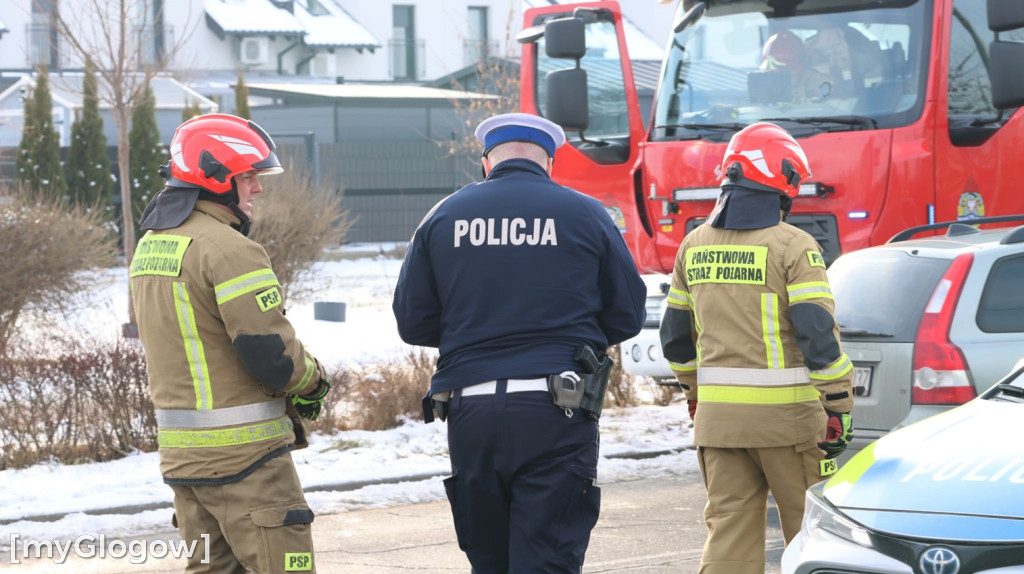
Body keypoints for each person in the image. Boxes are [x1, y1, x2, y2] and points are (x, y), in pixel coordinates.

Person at [392, 112, 647, 573]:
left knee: (489, 561)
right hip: (557, 410)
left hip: (471, 412)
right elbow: (627, 314)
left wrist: (473, 332)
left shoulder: (443, 215)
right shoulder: (587, 213)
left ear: (486, 160)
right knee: (546, 558)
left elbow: (413, 323)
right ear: (548, 161)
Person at [130, 113, 331, 574]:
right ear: (215, 177)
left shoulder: (153, 245)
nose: (257, 188)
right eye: (247, 176)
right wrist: (313, 381)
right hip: (248, 462)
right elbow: (272, 355)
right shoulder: (229, 248)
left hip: (184, 461)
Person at [659, 122, 854, 574]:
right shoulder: (794, 246)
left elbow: (674, 341)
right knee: (814, 538)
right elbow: (817, 337)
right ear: (783, 182)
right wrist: (839, 404)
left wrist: (695, 394)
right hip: (788, 426)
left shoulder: (693, 245)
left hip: (718, 425)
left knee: (729, 538)